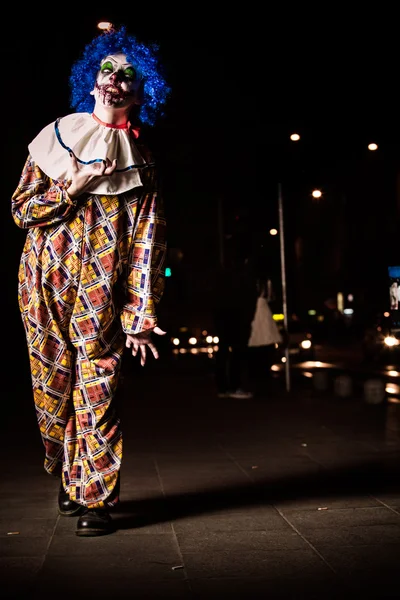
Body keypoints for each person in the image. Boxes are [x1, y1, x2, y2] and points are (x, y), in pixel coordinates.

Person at [11, 26, 170, 536]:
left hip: (101, 294)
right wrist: (71, 188)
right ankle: (68, 473)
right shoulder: (55, 136)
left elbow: (148, 245)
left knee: (99, 390)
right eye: (109, 70)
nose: (116, 81)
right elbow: (21, 210)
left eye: (129, 75)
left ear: (142, 89)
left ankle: (96, 497)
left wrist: (141, 316)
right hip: (42, 283)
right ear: (93, 78)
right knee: (53, 392)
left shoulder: (144, 164)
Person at [213, 249, 259, 399]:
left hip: (224, 316)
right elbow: (249, 296)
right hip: (237, 317)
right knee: (237, 352)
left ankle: (223, 387)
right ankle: (234, 386)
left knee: (224, 351)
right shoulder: (243, 275)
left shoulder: (222, 275)